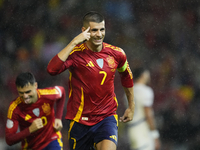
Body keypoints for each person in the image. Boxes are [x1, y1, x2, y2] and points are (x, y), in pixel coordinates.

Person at [47, 11, 135, 150]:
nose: (99, 34)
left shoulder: (117, 54)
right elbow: (52, 70)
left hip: (106, 118)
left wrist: (131, 106)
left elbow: (126, 76)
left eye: (102, 29)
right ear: (84, 30)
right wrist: (74, 41)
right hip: (79, 121)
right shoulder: (75, 54)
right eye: (94, 30)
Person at [5, 72, 66, 150]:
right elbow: (9, 139)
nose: (25, 96)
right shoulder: (14, 108)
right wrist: (30, 130)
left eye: (28, 92)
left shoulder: (48, 95)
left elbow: (62, 91)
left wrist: (58, 118)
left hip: (52, 139)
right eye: (21, 93)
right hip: (31, 146)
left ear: (35, 86)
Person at [126, 67, 161, 150]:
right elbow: (148, 113)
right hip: (142, 130)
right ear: (143, 75)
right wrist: (155, 134)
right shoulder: (145, 91)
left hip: (132, 129)